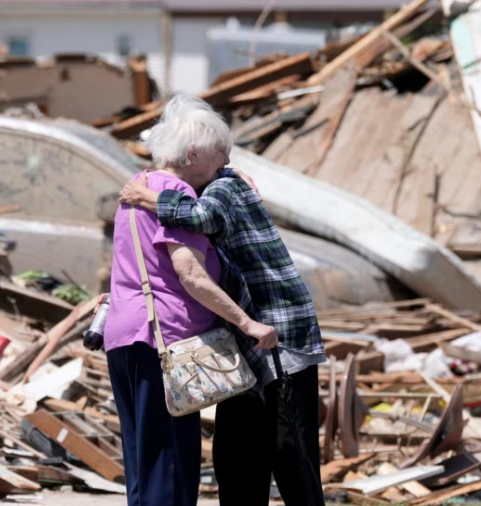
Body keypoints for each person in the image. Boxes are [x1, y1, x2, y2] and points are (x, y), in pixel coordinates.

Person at [120, 96, 327, 506]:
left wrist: (149, 200)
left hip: (280, 334)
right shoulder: (207, 182)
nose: (229, 159)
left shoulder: (223, 185)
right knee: (238, 455)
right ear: (196, 152)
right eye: (223, 152)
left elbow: (204, 219)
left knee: (292, 454)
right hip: (244, 339)